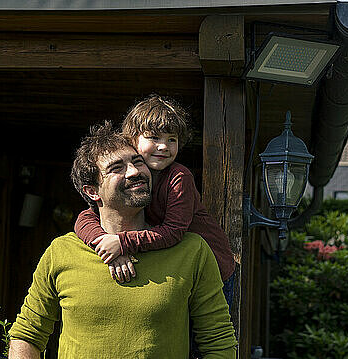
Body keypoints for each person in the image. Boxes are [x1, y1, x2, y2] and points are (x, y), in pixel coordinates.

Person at [8, 123, 237, 359]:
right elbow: (25, 338)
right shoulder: (62, 252)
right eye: (117, 168)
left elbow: (220, 344)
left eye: (138, 162)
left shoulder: (192, 251)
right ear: (93, 191)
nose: (135, 172)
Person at [74, 95, 236, 309]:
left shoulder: (179, 177)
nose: (164, 147)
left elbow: (174, 231)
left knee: (203, 335)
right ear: (132, 139)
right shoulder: (135, 178)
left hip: (214, 270)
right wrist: (105, 244)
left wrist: (122, 243)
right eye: (154, 138)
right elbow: (85, 218)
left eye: (172, 139)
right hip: (175, 268)